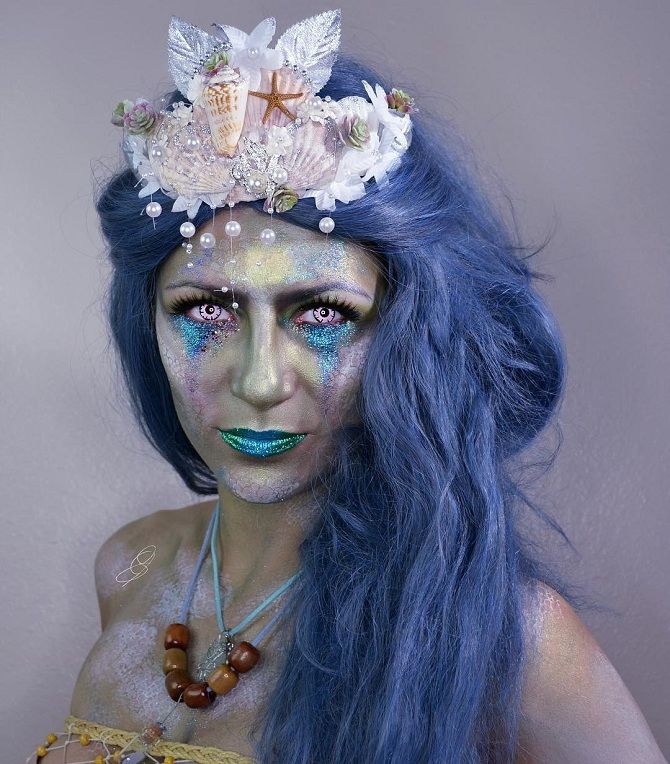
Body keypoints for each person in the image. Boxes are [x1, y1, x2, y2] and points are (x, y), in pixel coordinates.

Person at [27, 10, 666, 764]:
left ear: (405, 336)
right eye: (207, 311)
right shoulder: (130, 566)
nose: (261, 381)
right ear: (148, 324)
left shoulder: (502, 635)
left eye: (324, 315)